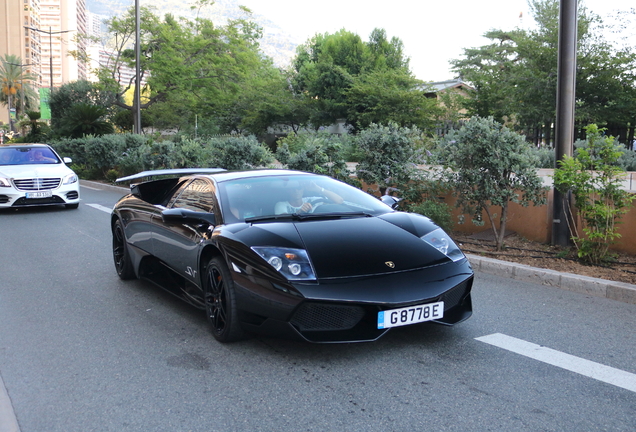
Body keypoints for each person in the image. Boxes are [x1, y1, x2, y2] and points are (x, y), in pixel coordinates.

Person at [274, 181, 343, 214]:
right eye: (292, 188)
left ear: (303, 189)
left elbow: (339, 201)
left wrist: (318, 188)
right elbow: (285, 221)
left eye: (299, 188)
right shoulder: (281, 205)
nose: (296, 190)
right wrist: (300, 211)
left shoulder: (312, 200)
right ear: (288, 191)